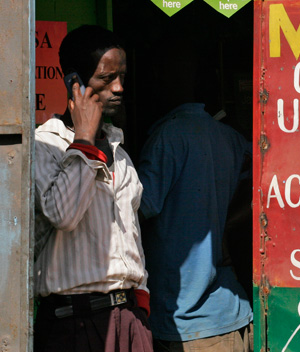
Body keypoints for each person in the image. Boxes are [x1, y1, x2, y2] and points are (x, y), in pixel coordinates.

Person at [33, 25, 153, 352]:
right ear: (74, 82)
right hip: (73, 324)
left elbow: (132, 235)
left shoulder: (120, 152)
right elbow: (65, 214)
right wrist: (83, 141)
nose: (118, 88)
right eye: (105, 78)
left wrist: (140, 308)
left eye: (122, 77)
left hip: (128, 319)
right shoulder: (44, 147)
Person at [137, 102, 253, 352]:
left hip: (191, 325)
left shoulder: (167, 136)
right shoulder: (230, 137)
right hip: (232, 310)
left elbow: (135, 210)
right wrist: (225, 222)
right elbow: (269, 186)